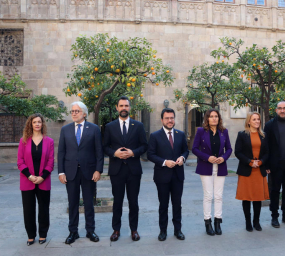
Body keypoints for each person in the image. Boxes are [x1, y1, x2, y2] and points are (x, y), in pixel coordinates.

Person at [103, 96, 148, 242]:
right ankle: (116, 230)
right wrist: (114, 153)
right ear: (117, 108)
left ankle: (134, 230)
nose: (124, 108)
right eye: (121, 105)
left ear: (130, 108)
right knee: (117, 201)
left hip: (134, 170)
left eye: (126, 106)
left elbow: (144, 145)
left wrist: (133, 152)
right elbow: (104, 147)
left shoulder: (138, 126)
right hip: (116, 170)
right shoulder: (110, 127)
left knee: (133, 201)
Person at [58, 101, 104, 244]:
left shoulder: (94, 129)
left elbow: (99, 151)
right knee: (72, 203)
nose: (74, 113)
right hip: (70, 172)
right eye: (72, 111)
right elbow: (61, 152)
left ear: (84, 113)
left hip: (89, 172)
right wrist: (61, 172)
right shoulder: (65, 130)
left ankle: (90, 230)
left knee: (89, 202)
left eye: (76, 111)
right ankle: (73, 231)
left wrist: (98, 170)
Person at [147, 108, 189, 241]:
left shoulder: (180, 134)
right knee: (163, 205)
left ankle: (178, 230)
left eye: (172, 118)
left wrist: (182, 158)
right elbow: (150, 155)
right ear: (162, 120)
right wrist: (165, 162)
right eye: (167, 118)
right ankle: (163, 231)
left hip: (178, 175)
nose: (170, 120)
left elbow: (185, 151)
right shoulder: (155, 136)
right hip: (162, 176)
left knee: (177, 204)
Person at [192, 108, 232, 236]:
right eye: (211, 116)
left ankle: (217, 222)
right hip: (206, 166)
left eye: (216, 116)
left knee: (219, 196)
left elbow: (229, 149)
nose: (214, 118)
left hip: (220, 167)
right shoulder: (200, 131)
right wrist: (207, 157)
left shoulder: (224, 131)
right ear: (207, 118)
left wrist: (224, 157)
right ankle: (208, 222)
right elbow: (194, 149)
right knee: (208, 195)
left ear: (219, 118)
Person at [17, 113, 54, 246]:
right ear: (30, 124)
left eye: (39, 122)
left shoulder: (49, 141)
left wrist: (42, 177)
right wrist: (30, 176)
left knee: (44, 209)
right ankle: (31, 235)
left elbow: (51, 162)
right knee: (28, 209)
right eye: (34, 122)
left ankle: (43, 234)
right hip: (27, 181)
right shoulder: (24, 141)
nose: (37, 124)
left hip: (44, 181)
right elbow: (20, 162)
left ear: (42, 124)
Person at [235, 112, 270, 232]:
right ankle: (248, 222)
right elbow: (238, 152)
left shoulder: (264, 135)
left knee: (257, 197)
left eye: (258, 119)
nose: (257, 121)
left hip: (259, 170)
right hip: (246, 169)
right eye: (254, 119)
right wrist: (249, 162)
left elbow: (267, 153)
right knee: (246, 197)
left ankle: (256, 221)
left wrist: (260, 162)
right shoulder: (242, 134)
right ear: (248, 121)